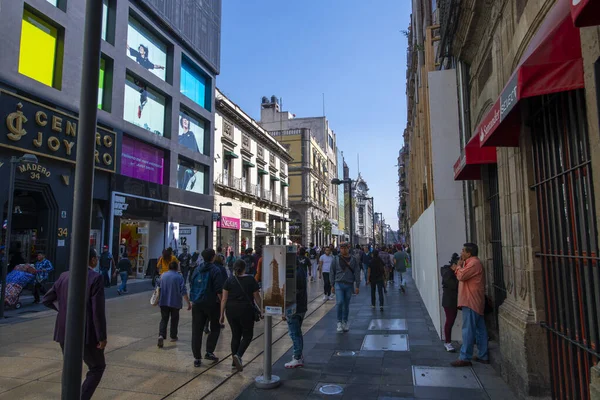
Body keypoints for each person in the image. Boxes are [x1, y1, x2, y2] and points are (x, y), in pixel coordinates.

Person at [42, 248, 107, 400]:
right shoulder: (95, 278)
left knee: (70, 367)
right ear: (92, 260)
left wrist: (64, 310)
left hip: (63, 331)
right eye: (96, 258)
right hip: (86, 333)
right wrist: (102, 336)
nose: (97, 260)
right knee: (97, 367)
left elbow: (47, 299)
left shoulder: (64, 276)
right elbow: (97, 310)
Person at [450, 243, 489, 367]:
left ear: (469, 253)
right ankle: (483, 355)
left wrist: (457, 268)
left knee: (468, 330)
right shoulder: (470, 263)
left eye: (463, 250)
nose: (461, 252)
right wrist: (460, 265)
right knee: (480, 330)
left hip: (471, 301)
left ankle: (465, 357)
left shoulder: (474, 263)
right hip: (472, 301)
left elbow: (461, 276)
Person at [220, 259, 261, 372]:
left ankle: (234, 361)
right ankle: (238, 355)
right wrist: (262, 309)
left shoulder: (229, 281)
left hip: (231, 311)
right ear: (245, 268)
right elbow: (257, 297)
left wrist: (221, 315)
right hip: (246, 310)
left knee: (236, 335)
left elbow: (224, 299)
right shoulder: (250, 280)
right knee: (247, 335)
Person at [190, 249, 224, 367]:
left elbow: (191, 283)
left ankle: (197, 357)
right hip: (212, 304)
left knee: (196, 330)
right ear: (213, 257)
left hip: (197, 303)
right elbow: (219, 290)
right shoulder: (215, 270)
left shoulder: (197, 269)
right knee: (215, 328)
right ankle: (209, 351)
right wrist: (223, 306)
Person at [157, 261, 191, 348]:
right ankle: (173, 336)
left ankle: (161, 335)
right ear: (176, 268)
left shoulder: (163, 276)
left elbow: (158, 288)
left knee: (164, 319)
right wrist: (188, 303)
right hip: (175, 302)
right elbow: (183, 291)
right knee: (174, 319)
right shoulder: (179, 277)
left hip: (163, 301)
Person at [284, 256, 308, 368]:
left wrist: (285, 308)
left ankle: (297, 357)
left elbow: (292, 293)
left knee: (294, 333)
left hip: (294, 308)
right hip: (301, 306)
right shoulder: (301, 270)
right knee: (297, 332)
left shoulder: (294, 275)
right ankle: (299, 355)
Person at [331, 242, 361, 333]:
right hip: (338, 283)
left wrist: (357, 286)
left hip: (349, 284)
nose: (343, 250)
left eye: (345, 248)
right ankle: (339, 322)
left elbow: (357, 272)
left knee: (346, 304)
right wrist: (332, 285)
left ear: (348, 248)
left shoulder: (353, 259)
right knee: (339, 302)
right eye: (342, 248)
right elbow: (332, 272)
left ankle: (345, 321)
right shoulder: (335, 259)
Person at [441, 253, 460, 352]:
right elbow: (454, 285)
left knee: (451, 320)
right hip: (449, 301)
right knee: (450, 321)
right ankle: (447, 342)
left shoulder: (450, 272)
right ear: (454, 265)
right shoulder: (448, 273)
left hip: (455, 300)